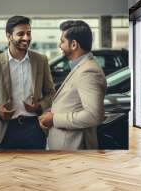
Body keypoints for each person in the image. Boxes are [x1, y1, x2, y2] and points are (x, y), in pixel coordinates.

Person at [0, 16, 55, 150]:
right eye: (20, 34)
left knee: (37, 169)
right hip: (5, 130)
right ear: (9, 36)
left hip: (35, 129)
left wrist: (39, 106)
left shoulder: (41, 60)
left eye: (29, 33)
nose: (26, 38)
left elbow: (51, 93)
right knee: (5, 170)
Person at [39, 20, 106, 150]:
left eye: (62, 41)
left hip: (74, 148)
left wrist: (54, 119)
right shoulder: (81, 67)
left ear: (74, 44)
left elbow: (94, 115)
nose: (59, 45)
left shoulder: (88, 71)